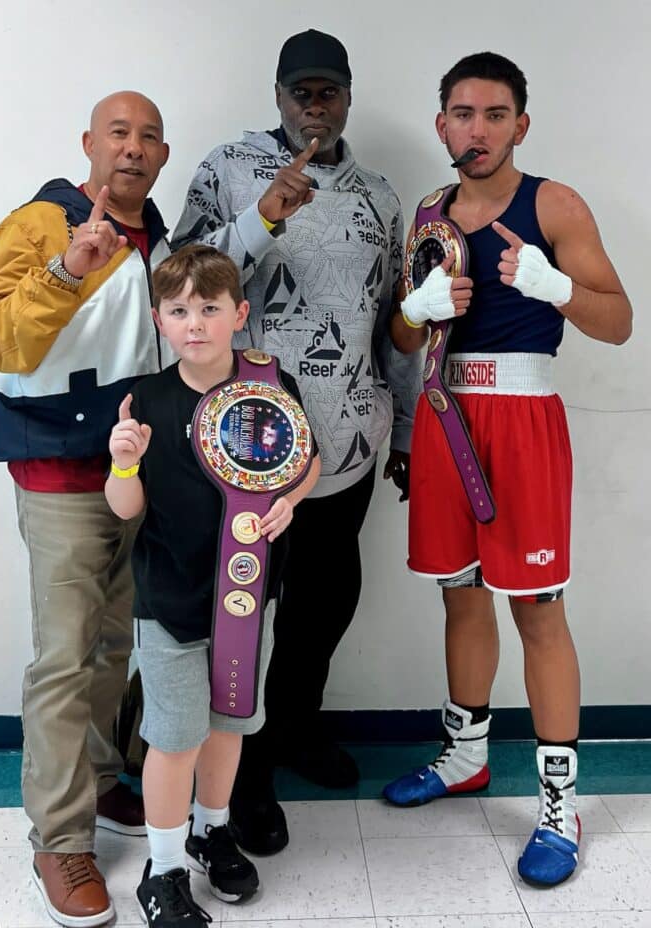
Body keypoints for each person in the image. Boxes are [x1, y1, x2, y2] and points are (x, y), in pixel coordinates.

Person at [384, 52, 632, 887]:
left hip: (521, 419)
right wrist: (412, 314)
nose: (478, 128)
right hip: (446, 414)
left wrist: (554, 285)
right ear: (442, 123)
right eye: (463, 113)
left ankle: (558, 803)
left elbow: (620, 322)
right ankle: (465, 757)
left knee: (537, 609)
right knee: (459, 594)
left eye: (495, 114)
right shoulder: (427, 212)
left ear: (520, 125)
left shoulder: (552, 202)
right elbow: (404, 341)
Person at [172, 27, 420, 855]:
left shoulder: (381, 196)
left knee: (320, 608)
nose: (315, 103)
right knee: (240, 610)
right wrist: (260, 220)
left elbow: (398, 323)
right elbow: (181, 284)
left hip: (345, 447)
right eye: (300, 90)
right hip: (244, 445)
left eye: (329, 89)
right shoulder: (227, 169)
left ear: (347, 95)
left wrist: (410, 429)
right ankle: (238, 776)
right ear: (278, 96)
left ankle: (295, 732)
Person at [0, 91, 171, 926]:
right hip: (58, 475)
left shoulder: (159, 234)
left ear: (163, 154)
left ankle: (94, 788)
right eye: (118, 133)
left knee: (113, 645)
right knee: (63, 657)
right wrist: (66, 271)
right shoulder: (38, 224)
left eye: (149, 136)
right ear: (89, 143)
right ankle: (59, 840)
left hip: (135, 470)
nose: (133, 149)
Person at [105, 244, 321, 926]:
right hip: (170, 602)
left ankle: (210, 828)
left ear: (239, 313)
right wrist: (124, 467)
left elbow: (304, 460)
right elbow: (125, 512)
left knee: (229, 724)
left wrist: (294, 497)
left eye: (209, 308)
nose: (194, 323)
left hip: (251, 600)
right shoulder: (149, 399)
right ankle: (163, 867)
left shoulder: (269, 383)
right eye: (178, 310)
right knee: (174, 737)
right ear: (159, 320)